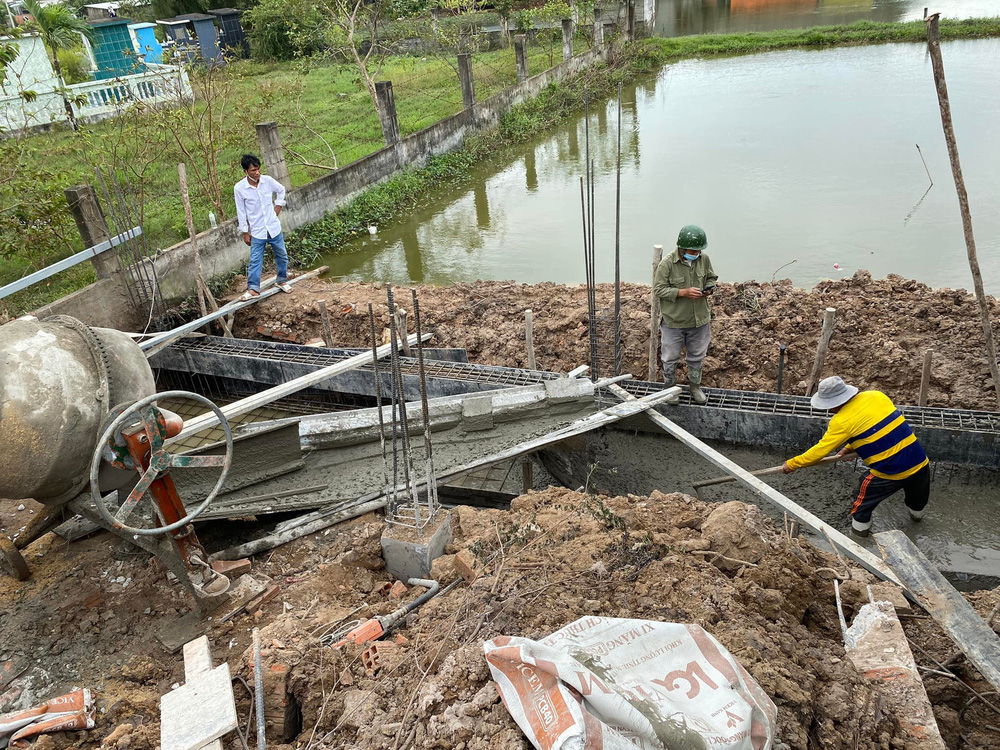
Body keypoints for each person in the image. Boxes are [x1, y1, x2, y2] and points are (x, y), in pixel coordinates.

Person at [782, 376, 930, 536]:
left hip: (890, 472)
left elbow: (820, 451)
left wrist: (793, 464)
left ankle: (860, 540)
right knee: (917, 501)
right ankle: (917, 524)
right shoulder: (876, 396)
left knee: (861, 506)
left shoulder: (841, 421)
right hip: (920, 463)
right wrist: (851, 446)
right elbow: (876, 425)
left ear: (834, 404)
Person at [653, 224, 718, 405]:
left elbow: (711, 278)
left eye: (698, 251)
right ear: (682, 248)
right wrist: (683, 292)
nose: (696, 254)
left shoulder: (703, 259)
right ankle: (670, 390)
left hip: (699, 320)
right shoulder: (667, 264)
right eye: (692, 251)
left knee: (697, 356)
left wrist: (708, 290)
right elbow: (659, 289)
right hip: (674, 321)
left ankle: (695, 387)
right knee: (670, 357)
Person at [234, 154, 292, 299]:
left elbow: (281, 190)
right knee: (255, 260)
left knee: (282, 256)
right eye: (253, 170)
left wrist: (278, 207)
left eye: (258, 169)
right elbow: (241, 211)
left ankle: (282, 280)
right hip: (257, 231)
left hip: (273, 227)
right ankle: (253, 288)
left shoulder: (267, 181)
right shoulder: (240, 188)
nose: (257, 173)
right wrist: (245, 232)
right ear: (245, 171)